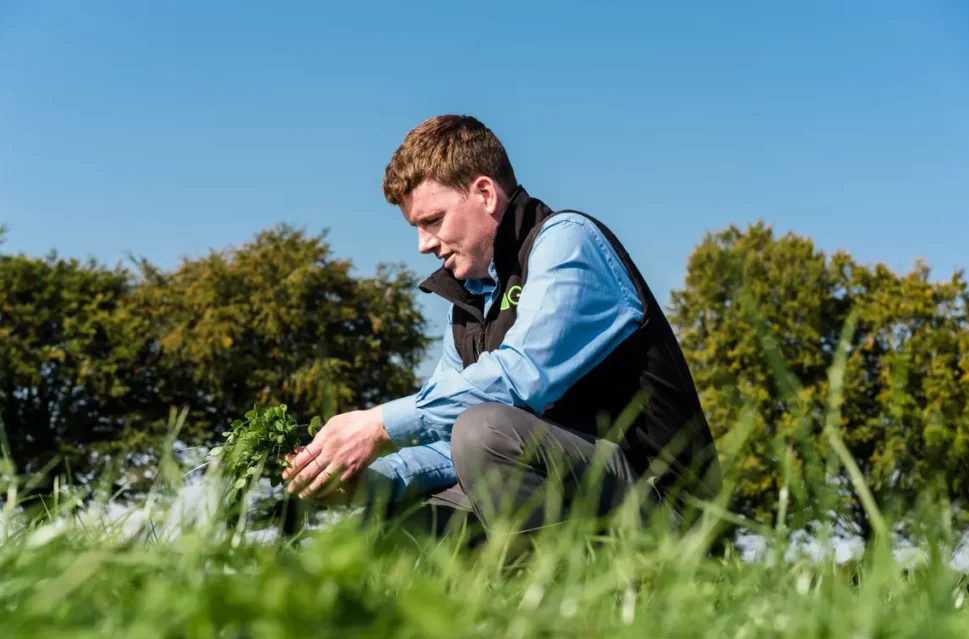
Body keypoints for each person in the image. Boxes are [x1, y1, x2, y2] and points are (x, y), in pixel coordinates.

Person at [282, 114, 721, 540]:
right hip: (571, 485)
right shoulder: (469, 302)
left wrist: (377, 426)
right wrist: (371, 480)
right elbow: (447, 439)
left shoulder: (566, 242)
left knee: (483, 430)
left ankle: (558, 589)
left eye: (432, 221)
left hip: (665, 505)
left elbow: (520, 379)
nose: (423, 244)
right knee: (392, 526)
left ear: (485, 193)